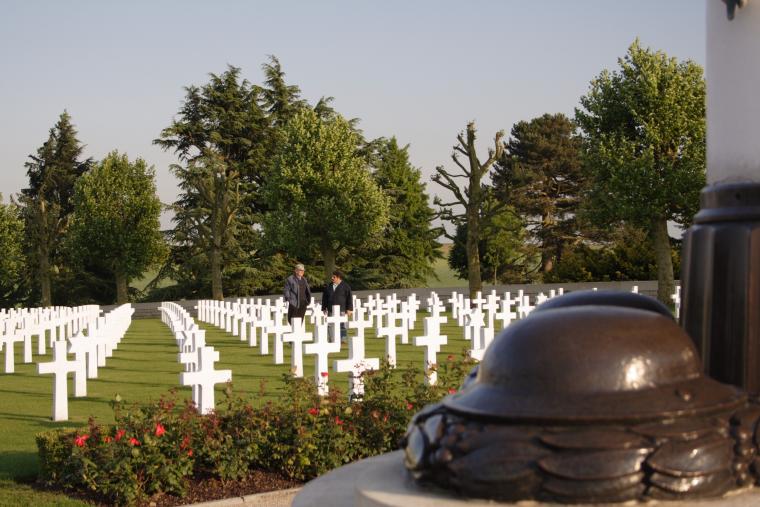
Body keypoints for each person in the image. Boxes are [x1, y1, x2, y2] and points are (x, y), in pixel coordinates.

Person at [322, 269, 353, 339]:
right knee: (330, 324)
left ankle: (342, 339)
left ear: (339, 277)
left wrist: (349, 309)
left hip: (342, 309)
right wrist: (324, 308)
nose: (332, 278)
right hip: (330, 309)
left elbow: (349, 298)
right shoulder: (328, 286)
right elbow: (324, 298)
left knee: (342, 324)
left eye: (334, 277)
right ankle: (331, 338)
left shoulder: (346, 286)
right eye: (332, 277)